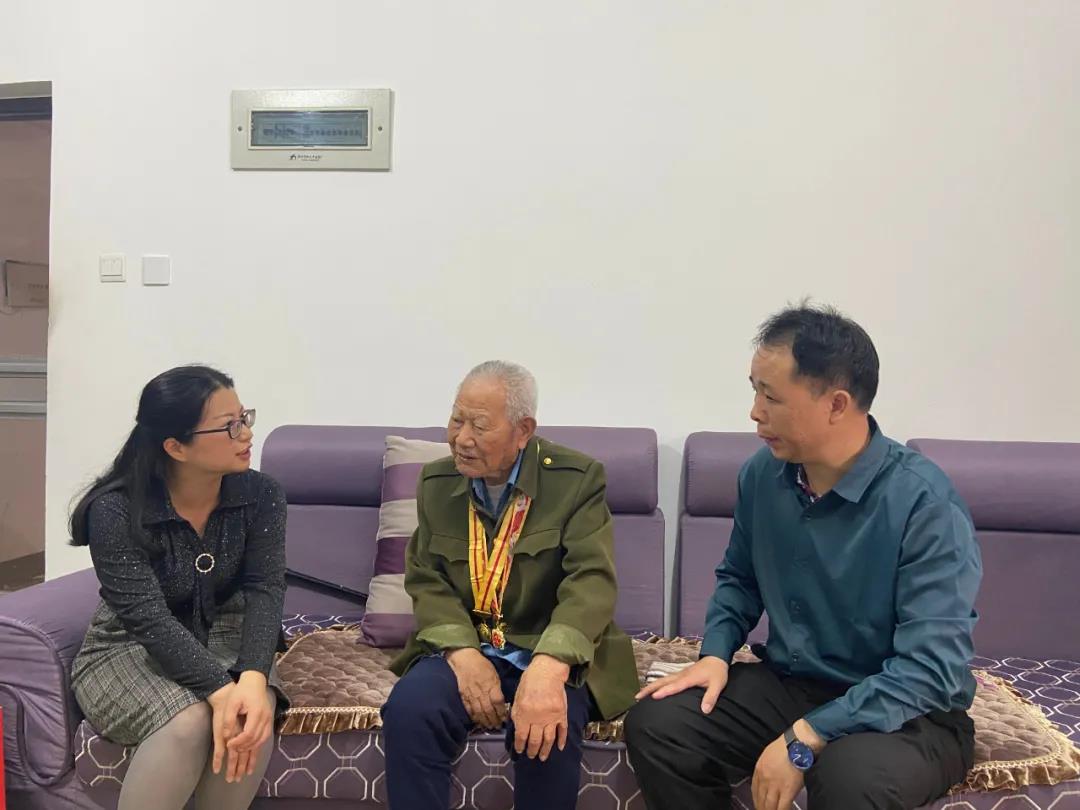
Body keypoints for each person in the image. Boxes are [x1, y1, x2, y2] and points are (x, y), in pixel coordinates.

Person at [625, 304, 981, 810]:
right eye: (754, 390)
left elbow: (930, 669)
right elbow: (739, 579)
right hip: (796, 685)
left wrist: (808, 734)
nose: (754, 411)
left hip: (909, 711)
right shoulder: (762, 476)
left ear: (836, 404)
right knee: (660, 724)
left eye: (771, 397)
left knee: (849, 775)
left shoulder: (924, 503)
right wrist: (715, 654)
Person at [381, 360, 638, 810]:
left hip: (548, 648)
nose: (462, 438)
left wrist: (550, 666)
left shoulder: (575, 480)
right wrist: (462, 653)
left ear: (523, 431)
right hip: (470, 643)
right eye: (456, 420)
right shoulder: (437, 482)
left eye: (480, 426)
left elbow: (590, 581)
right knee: (409, 710)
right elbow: (427, 578)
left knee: (546, 729)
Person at [70, 364, 287, 810]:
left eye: (244, 418)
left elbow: (265, 589)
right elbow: (147, 619)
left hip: (227, 633)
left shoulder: (262, 494)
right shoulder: (115, 511)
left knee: (249, 714)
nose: (246, 433)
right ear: (176, 447)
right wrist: (220, 691)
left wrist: (253, 677)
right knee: (188, 722)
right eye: (229, 426)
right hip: (128, 644)